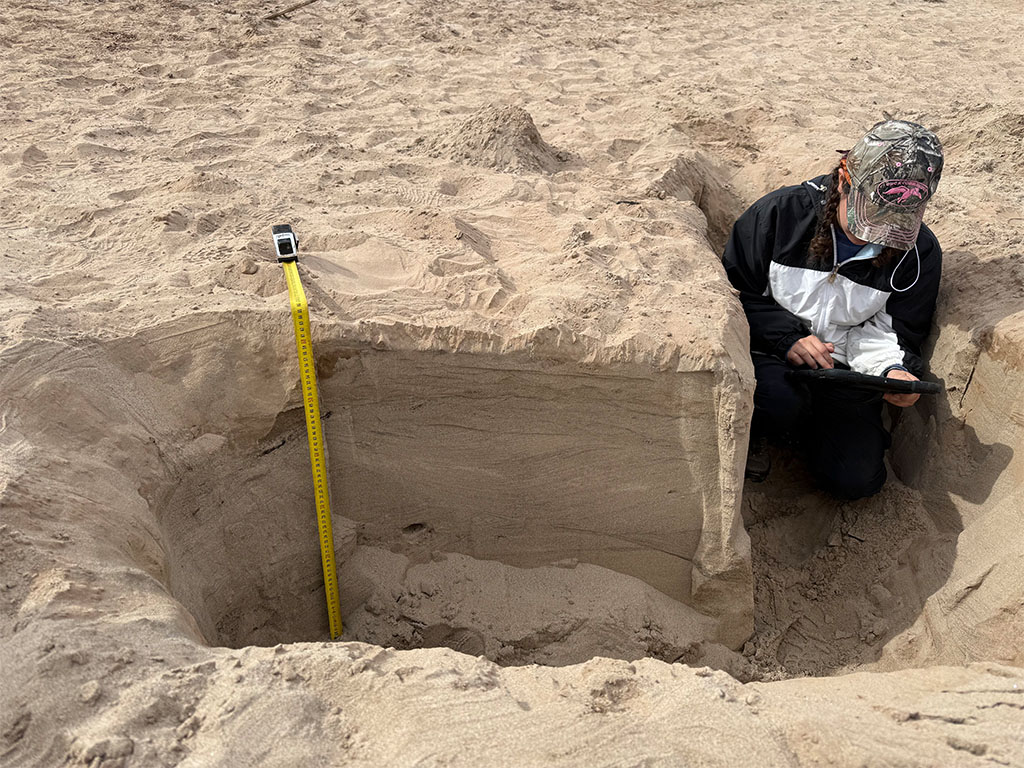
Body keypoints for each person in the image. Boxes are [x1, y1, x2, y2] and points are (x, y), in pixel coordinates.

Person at [721, 120, 944, 499]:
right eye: (871, 217)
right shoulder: (779, 214)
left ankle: (814, 438)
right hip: (769, 357)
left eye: (895, 224)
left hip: (846, 373)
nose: (877, 235)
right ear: (844, 181)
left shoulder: (919, 252)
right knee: (777, 400)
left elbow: (901, 332)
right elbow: (730, 295)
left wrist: (893, 371)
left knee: (857, 481)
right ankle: (761, 434)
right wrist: (786, 338)